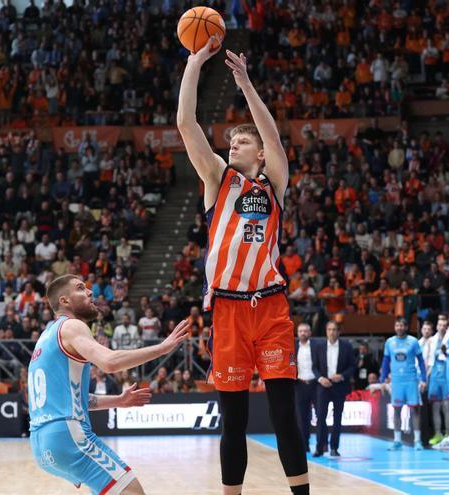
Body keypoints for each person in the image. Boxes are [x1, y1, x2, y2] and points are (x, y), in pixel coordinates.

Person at [177, 36, 308, 494]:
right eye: (232, 140)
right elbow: (185, 122)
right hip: (228, 311)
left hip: (270, 309)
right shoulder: (217, 179)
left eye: (243, 140)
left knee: (283, 416)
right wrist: (195, 62)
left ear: (258, 154)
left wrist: (246, 85)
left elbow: (272, 136)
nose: (235, 143)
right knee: (232, 424)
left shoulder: (274, 183)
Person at [28, 274, 190, 495]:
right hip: (68, 435)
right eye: (80, 288)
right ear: (64, 301)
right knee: (132, 492)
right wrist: (161, 349)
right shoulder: (72, 326)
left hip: (41, 443)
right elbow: (109, 362)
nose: (89, 292)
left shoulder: (46, 336)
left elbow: (78, 400)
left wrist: (119, 401)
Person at [379, 318, 426, 451]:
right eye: (397, 325)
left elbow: (421, 361)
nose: (399, 328)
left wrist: (423, 379)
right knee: (396, 410)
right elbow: (385, 361)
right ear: (395, 327)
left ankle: (417, 441)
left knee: (415, 410)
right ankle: (397, 441)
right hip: (397, 381)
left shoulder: (413, 341)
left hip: (411, 380)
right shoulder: (389, 342)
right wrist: (382, 380)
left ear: (406, 327)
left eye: (402, 325)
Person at [312, 321, 356, 457]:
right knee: (320, 417)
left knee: (337, 418)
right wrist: (320, 379)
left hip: (339, 386)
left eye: (334, 329)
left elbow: (353, 366)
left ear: (339, 332)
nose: (332, 332)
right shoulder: (319, 346)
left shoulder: (347, 346)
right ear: (326, 331)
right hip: (323, 386)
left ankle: (334, 448)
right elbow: (314, 367)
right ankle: (320, 447)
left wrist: (342, 376)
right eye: (329, 329)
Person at [426, 317, 449, 446]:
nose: (442, 327)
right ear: (437, 327)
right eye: (440, 325)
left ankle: (448, 434)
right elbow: (428, 360)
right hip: (434, 378)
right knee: (435, 407)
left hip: (447, 377)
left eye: (444, 325)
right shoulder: (431, 341)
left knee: (447, 407)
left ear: (447, 327)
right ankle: (438, 434)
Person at [294, 323, 320, 452]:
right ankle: (304, 445)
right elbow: (291, 363)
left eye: (305, 331)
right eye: (300, 331)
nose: (303, 333)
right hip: (300, 384)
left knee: (320, 415)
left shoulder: (317, 346)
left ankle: (321, 445)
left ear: (310, 333)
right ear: (297, 333)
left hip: (315, 384)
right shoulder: (293, 347)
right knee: (302, 417)